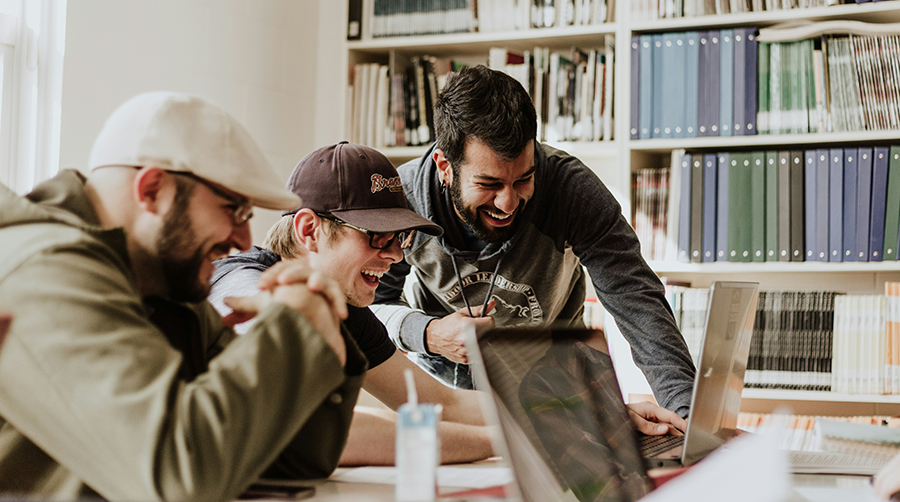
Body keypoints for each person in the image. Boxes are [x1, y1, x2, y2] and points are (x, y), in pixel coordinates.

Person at [0, 92, 365, 501]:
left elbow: (291, 460)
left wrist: (317, 322)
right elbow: (179, 478)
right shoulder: (47, 271)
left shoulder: (164, 283)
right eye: (234, 210)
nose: (244, 239)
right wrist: (294, 327)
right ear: (152, 189)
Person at [371, 65, 697, 418]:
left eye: (523, 179)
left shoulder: (573, 192)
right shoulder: (403, 202)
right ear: (444, 166)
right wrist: (429, 334)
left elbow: (637, 303)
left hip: (555, 391)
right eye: (489, 184)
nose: (508, 203)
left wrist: (686, 415)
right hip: (445, 398)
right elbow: (370, 308)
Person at [209, 141, 494, 465]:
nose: (396, 256)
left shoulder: (343, 307)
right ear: (309, 230)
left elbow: (440, 404)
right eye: (377, 235)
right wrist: (504, 442)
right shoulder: (241, 286)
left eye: (399, 238)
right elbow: (316, 430)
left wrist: (542, 418)